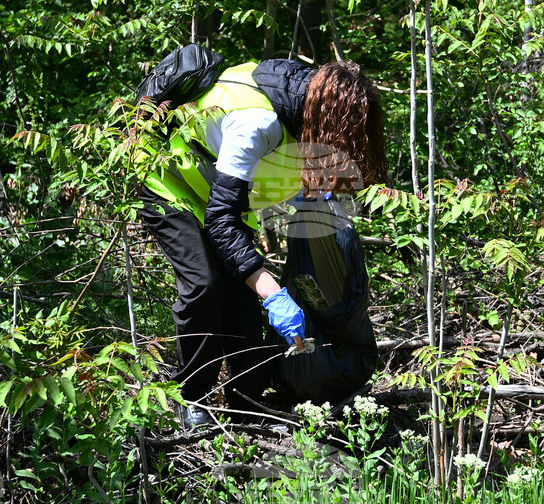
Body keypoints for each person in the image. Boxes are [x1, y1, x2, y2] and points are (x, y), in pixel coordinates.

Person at [137, 57, 386, 429]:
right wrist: (274, 294)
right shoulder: (256, 122)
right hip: (166, 182)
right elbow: (220, 221)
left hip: (216, 193)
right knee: (205, 285)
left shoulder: (305, 104)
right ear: (330, 119)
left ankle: (247, 403)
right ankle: (191, 399)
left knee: (242, 300)